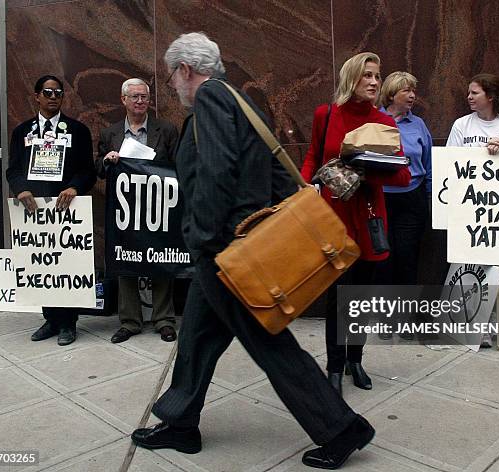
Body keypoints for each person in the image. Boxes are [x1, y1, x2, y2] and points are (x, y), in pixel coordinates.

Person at [131, 32, 375, 470]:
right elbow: (264, 172)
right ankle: (180, 421)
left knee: (270, 345)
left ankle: (341, 429)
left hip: (229, 249)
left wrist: (203, 236)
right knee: (196, 339)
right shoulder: (237, 100)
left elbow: (217, 172)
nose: (172, 86)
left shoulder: (210, 99)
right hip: (231, 246)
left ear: (186, 70)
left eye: (171, 77)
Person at [300, 53, 410, 395]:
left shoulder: (385, 122)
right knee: (337, 295)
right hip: (333, 217)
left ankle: (355, 359)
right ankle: (334, 366)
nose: (375, 82)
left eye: (377, 76)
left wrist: (368, 168)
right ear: (351, 79)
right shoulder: (327, 114)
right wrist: (303, 184)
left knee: (360, 295)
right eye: (367, 76)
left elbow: (403, 175)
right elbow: (313, 157)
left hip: (368, 216)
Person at [6, 74, 96, 346]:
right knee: (42, 264)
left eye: (58, 93)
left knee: (66, 265)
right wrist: (21, 189)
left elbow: (88, 171)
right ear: (37, 96)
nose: (53, 97)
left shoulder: (77, 131)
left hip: (66, 208)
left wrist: (74, 187)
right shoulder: (22, 132)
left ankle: (68, 323)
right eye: (48, 92)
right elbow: (13, 169)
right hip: (36, 210)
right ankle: (50, 319)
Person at [446, 72, 499, 347]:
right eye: (469, 93)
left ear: (490, 96)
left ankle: (497, 324)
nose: (469, 97)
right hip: (471, 210)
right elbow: (451, 163)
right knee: (472, 266)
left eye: (475, 93)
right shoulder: (461, 126)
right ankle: (472, 324)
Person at [95, 78, 179, 344]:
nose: (141, 101)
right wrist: (107, 161)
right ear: (123, 100)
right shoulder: (110, 134)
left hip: (158, 207)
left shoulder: (165, 130)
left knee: (161, 260)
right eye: (135, 97)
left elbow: (178, 166)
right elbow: (98, 169)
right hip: (124, 212)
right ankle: (130, 321)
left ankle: (164, 320)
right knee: (125, 260)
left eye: (144, 97)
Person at [378, 71, 433, 340]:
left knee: (407, 257)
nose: (412, 95)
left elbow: (429, 161)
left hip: (413, 197)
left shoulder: (418, 124)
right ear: (391, 94)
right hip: (381, 197)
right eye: (406, 91)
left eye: (413, 90)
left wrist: (432, 195)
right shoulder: (374, 120)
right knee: (384, 257)